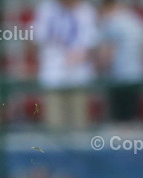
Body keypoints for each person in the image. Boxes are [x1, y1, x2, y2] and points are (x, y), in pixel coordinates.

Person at [32, 0, 100, 130]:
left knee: (79, 124)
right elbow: (37, 37)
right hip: (53, 76)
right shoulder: (47, 9)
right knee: (55, 125)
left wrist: (81, 54)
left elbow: (91, 41)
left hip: (79, 76)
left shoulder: (86, 10)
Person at [96, 0, 143, 122]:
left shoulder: (113, 23)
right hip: (137, 73)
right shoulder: (135, 20)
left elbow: (108, 52)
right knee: (133, 115)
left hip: (120, 75)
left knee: (121, 118)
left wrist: (101, 67)